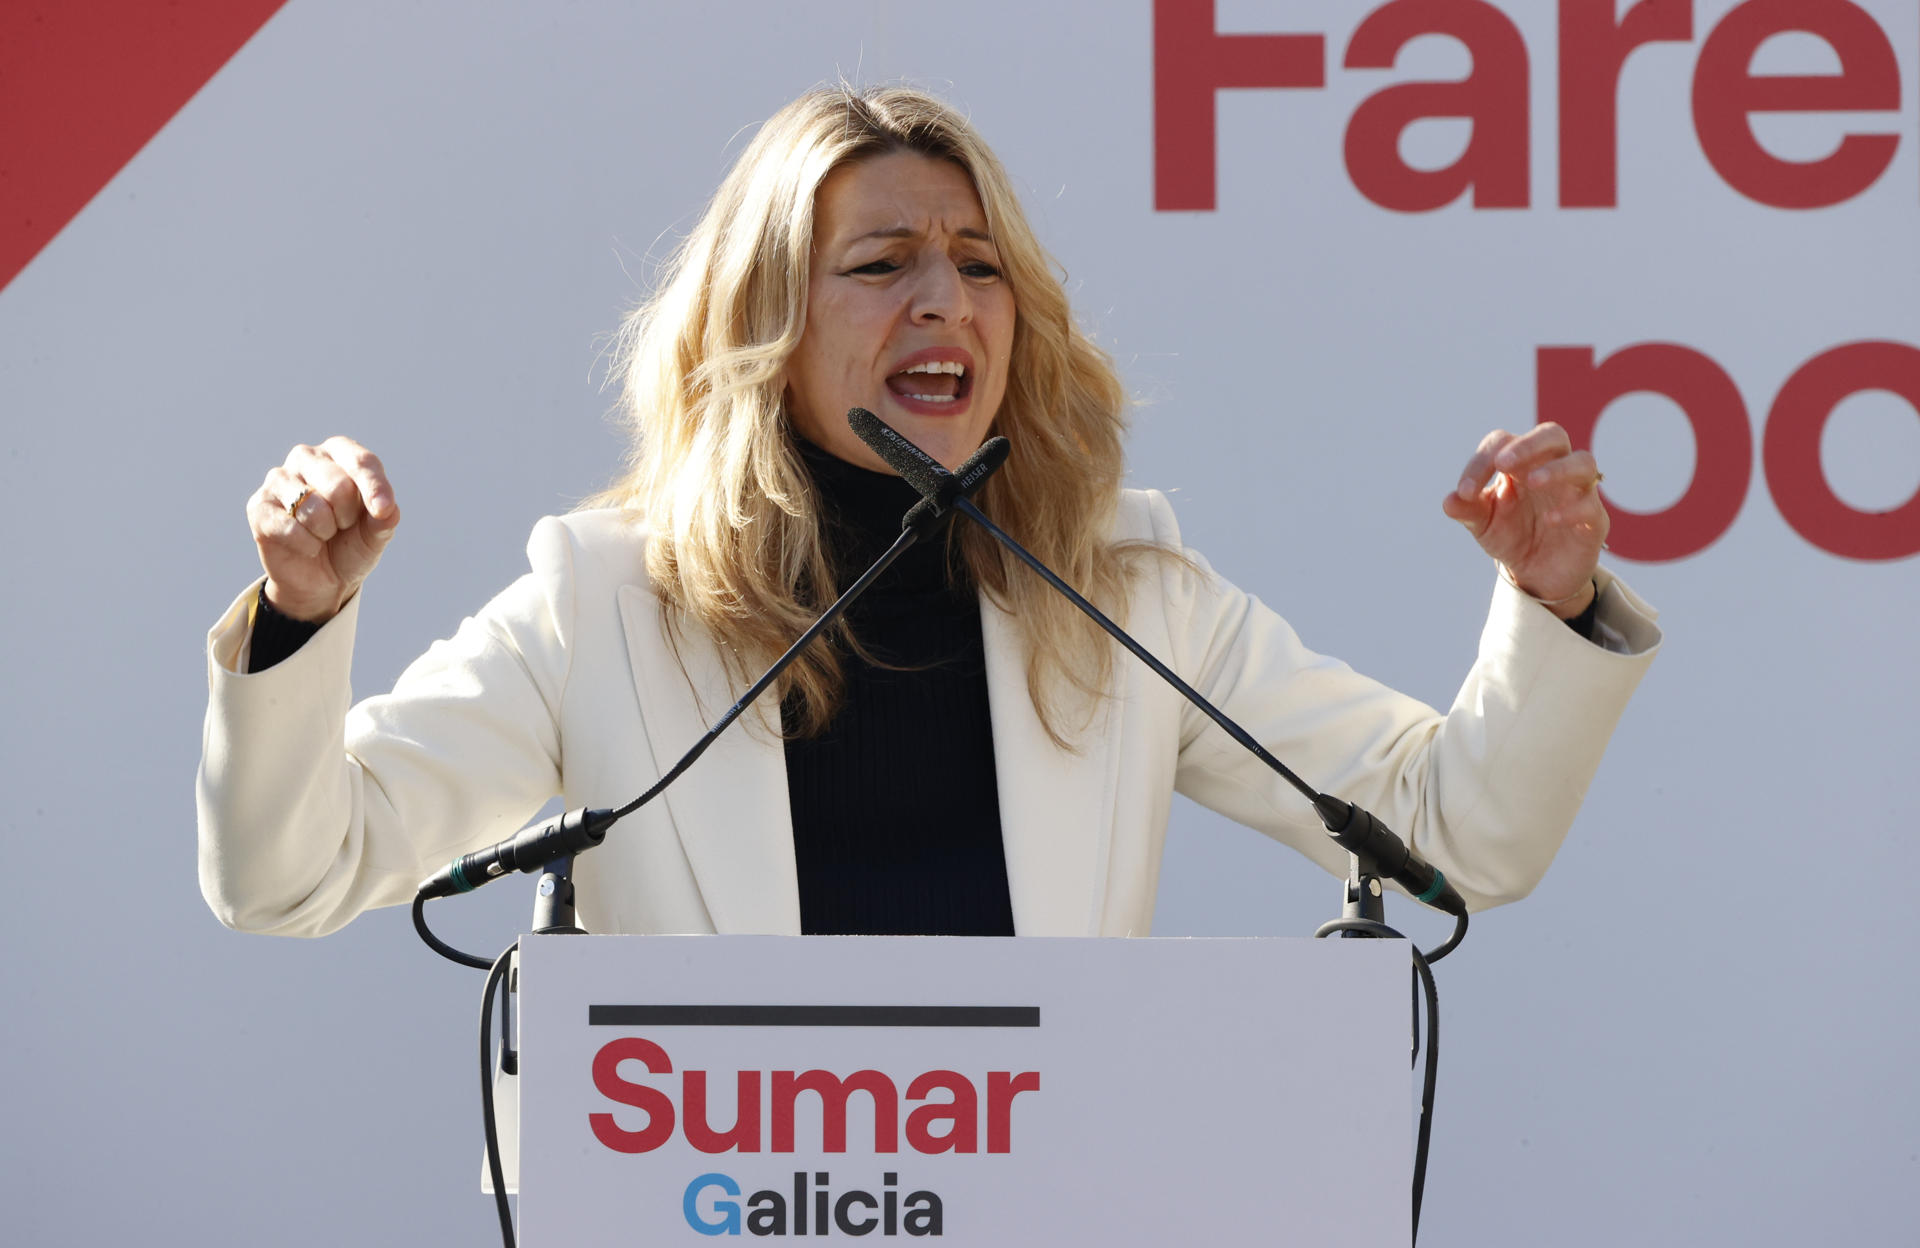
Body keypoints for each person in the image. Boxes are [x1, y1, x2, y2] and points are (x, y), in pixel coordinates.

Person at [197, 86, 1660, 940]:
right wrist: (300, 626)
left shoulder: (1120, 588)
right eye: (883, 261)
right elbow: (289, 874)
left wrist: (1547, 605)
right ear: (767, 319)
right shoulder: (599, 603)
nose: (944, 298)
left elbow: (1456, 835)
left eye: (976, 261)